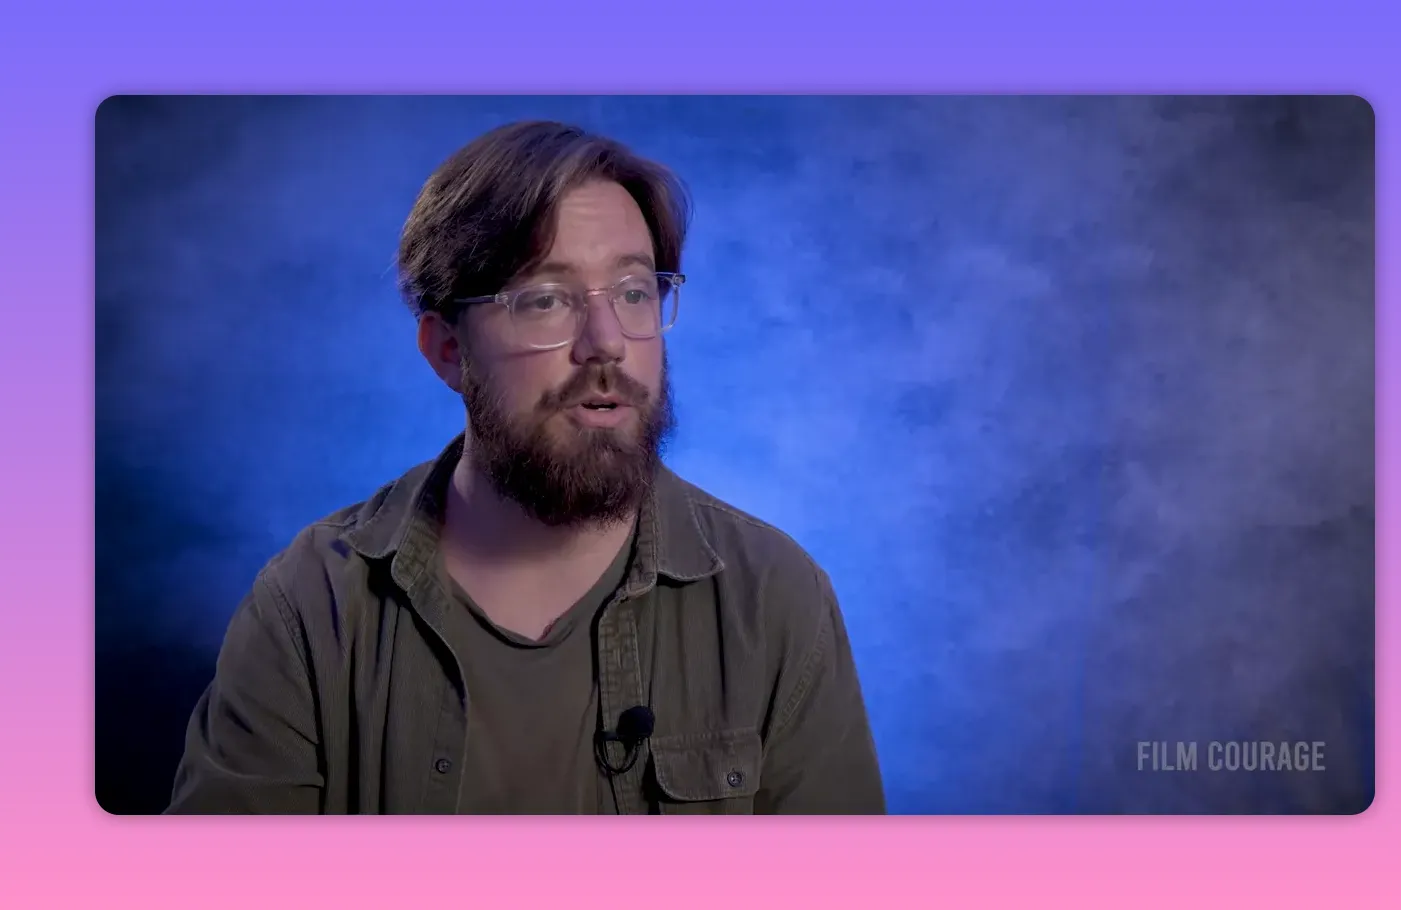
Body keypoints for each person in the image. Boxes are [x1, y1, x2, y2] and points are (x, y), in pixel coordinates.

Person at [166, 120, 886, 815]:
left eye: (635, 292)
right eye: (546, 299)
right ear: (447, 349)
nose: (606, 343)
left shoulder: (775, 600)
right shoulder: (313, 604)